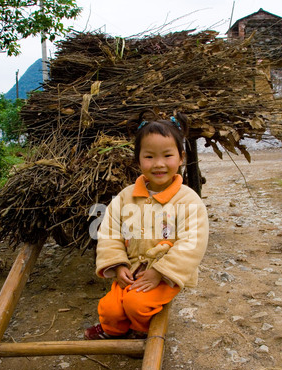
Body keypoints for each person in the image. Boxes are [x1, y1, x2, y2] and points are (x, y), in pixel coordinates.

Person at [84, 111, 209, 340]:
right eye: (149, 157)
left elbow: (193, 242)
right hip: (131, 271)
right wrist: (118, 264)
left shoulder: (187, 200)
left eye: (167, 156)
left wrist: (159, 272)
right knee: (108, 308)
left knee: (136, 304)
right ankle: (113, 331)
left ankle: (140, 331)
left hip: (165, 275)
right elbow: (109, 233)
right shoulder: (125, 197)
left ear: (181, 157)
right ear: (138, 159)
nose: (159, 164)